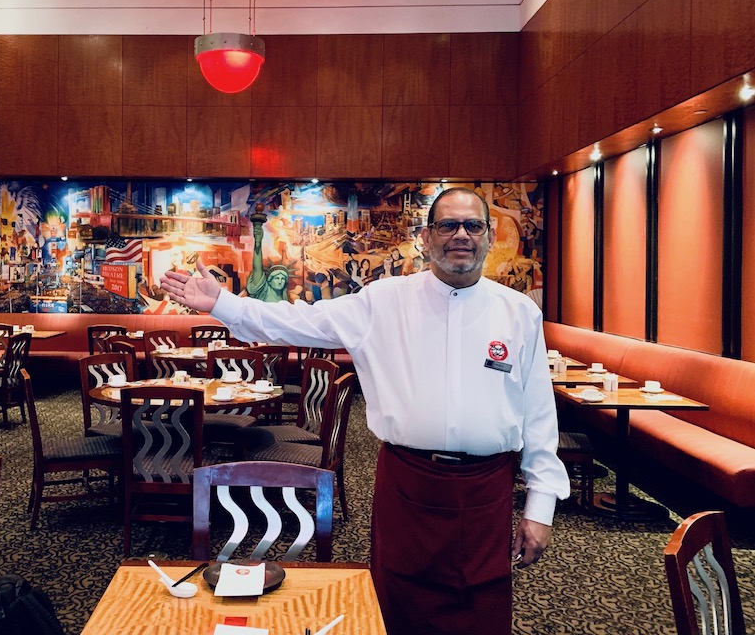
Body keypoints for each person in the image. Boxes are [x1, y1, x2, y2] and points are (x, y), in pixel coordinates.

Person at [160, 187, 568, 635]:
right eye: (447, 225)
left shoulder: (518, 313)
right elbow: (299, 321)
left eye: (472, 225)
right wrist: (222, 303)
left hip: (486, 489)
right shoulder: (383, 301)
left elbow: (538, 416)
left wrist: (540, 506)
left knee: (482, 606)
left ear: (489, 236)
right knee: (395, 604)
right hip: (408, 483)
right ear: (427, 237)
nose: (461, 235)